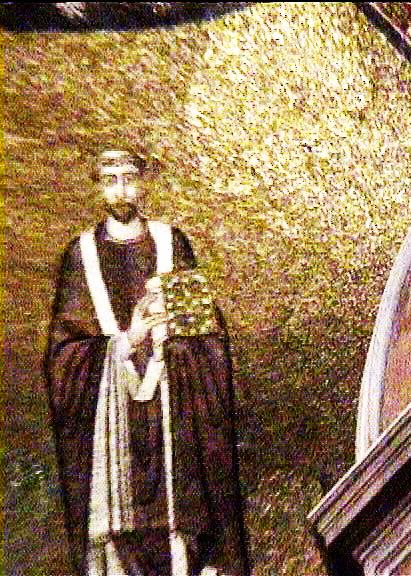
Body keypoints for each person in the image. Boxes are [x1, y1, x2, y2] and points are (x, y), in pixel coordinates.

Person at [45, 149, 252, 576]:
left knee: (181, 531)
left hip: (172, 412)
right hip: (112, 421)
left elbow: (208, 336)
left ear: (143, 183)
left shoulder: (171, 243)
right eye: (110, 180)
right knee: (121, 541)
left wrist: (171, 339)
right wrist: (127, 341)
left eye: (128, 178)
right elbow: (63, 355)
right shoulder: (81, 255)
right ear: (98, 188)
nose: (121, 189)